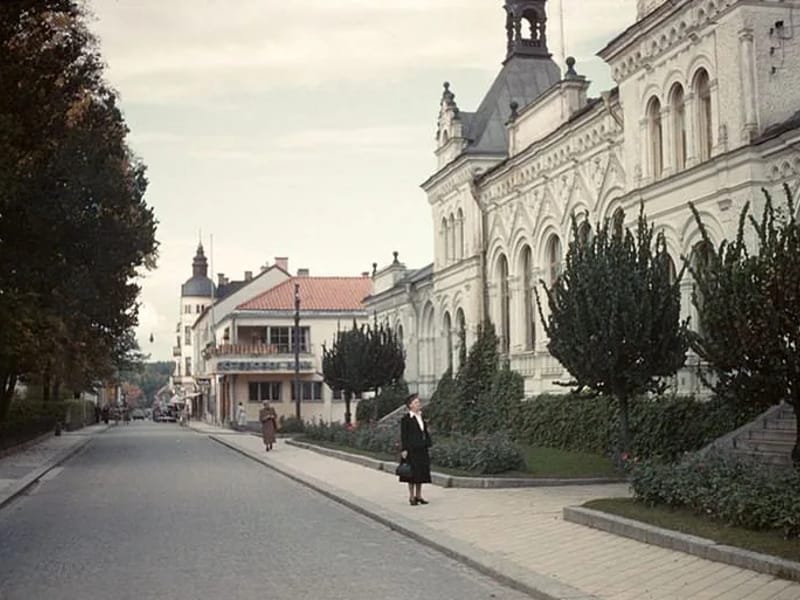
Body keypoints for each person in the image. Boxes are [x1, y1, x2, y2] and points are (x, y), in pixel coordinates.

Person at [399, 393, 432, 505]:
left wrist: (428, 442)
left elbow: (424, 431)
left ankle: (419, 495)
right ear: (410, 405)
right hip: (411, 449)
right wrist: (404, 449)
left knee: (421, 472)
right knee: (411, 473)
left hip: (421, 448)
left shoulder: (421, 417)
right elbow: (404, 435)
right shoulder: (406, 419)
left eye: (418, 402)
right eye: (416, 403)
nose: (419, 404)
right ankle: (411, 496)